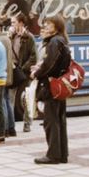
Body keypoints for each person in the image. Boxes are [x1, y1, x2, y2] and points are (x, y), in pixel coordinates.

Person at [32, 15, 72, 164]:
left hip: (51, 85)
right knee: (59, 120)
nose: (46, 26)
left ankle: (53, 155)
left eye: (49, 24)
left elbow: (50, 64)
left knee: (51, 120)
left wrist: (37, 72)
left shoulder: (55, 42)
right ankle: (62, 154)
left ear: (57, 26)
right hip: (59, 85)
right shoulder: (62, 40)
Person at [10, 13, 37, 133]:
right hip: (13, 70)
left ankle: (27, 123)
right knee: (10, 98)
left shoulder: (29, 37)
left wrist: (23, 67)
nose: (12, 25)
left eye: (13, 22)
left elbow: (33, 57)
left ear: (21, 23)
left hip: (23, 72)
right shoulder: (12, 36)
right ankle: (10, 125)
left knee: (26, 98)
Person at [0, 19, 16, 137]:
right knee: (8, 100)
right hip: (8, 73)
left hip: (1, 74)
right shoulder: (7, 39)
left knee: (2, 101)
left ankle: (6, 128)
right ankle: (12, 128)